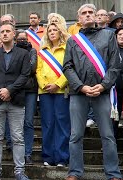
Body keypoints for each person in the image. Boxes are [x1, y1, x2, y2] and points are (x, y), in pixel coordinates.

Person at [63, 4, 122, 180]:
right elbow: (67, 66)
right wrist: (81, 86)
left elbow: (115, 64)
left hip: (102, 93)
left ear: (96, 16)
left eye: (91, 13)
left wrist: (104, 85)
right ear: (79, 18)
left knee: (108, 135)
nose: (88, 15)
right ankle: (74, 172)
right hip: (78, 94)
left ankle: (113, 173)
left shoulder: (109, 35)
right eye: (84, 13)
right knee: (75, 136)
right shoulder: (72, 41)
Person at [0, 23, 30, 180]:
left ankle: (19, 171)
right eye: (2, 31)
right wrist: (1, 90)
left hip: (16, 100)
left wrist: (9, 90)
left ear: (14, 34)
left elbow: (25, 75)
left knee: (17, 137)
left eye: (7, 31)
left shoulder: (23, 54)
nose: (4, 34)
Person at [36, 23, 70, 167]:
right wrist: (44, 85)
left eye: (55, 30)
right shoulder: (42, 51)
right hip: (45, 92)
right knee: (48, 124)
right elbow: (38, 70)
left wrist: (58, 84)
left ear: (60, 32)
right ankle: (48, 156)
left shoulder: (67, 49)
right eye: (49, 30)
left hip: (61, 91)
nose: (52, 32)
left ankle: (62, 158)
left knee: (62, 124)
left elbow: (69, 68)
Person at [15, 29, 37, 165]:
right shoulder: (12, 51)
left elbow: (32, 67)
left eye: (24, 38)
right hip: (16, 90)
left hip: (30, 90)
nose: (22, 41)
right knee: (15, 123)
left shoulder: (33, 51)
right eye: (20, 39)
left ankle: (27, 153)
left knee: (28, 122)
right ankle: (16, 151)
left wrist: (21, 67)